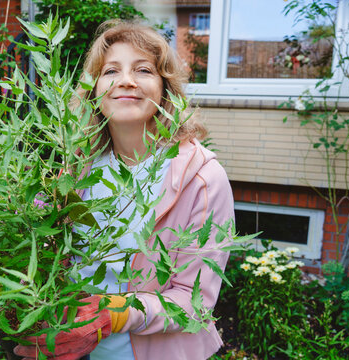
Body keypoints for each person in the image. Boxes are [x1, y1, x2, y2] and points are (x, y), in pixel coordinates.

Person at [14, 20, 234, 360]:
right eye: (111, 70)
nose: (126, 81)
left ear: (165, 88)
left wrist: (115, 313)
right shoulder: (77, 167)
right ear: (94, 88)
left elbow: (193, 303)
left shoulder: (202, 179)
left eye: (143, 70)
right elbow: (55, 256)